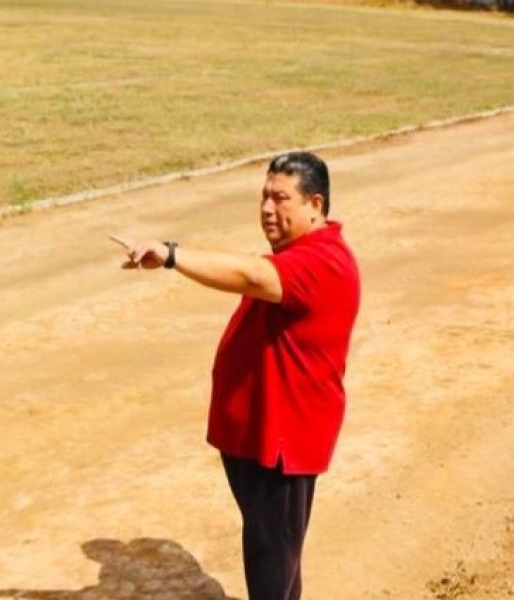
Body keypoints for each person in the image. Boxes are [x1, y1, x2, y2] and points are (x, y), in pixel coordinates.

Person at [111, 152, 360, 600]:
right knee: (274, 552)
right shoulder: (298, 254)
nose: (266, 208)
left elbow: (248, 273)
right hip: (257, 438)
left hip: (284, 443)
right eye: (264, 196)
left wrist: (170, 255)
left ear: (315, 205)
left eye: (280, 198)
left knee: (271, 560)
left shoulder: (322, 262)